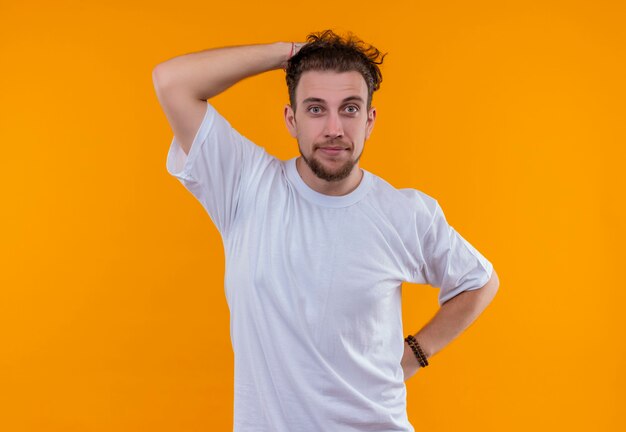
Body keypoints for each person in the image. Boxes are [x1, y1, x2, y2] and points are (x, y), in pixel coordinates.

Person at [152, 29, 499, 432]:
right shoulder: (244, 184)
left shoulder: (405, 212)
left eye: (349, 109)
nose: (334, 128)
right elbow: (172, 82)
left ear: (369, 121)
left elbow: (480, 281)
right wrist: (290, 54)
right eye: (316, 109)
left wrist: (415, 354)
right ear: (290, 119)